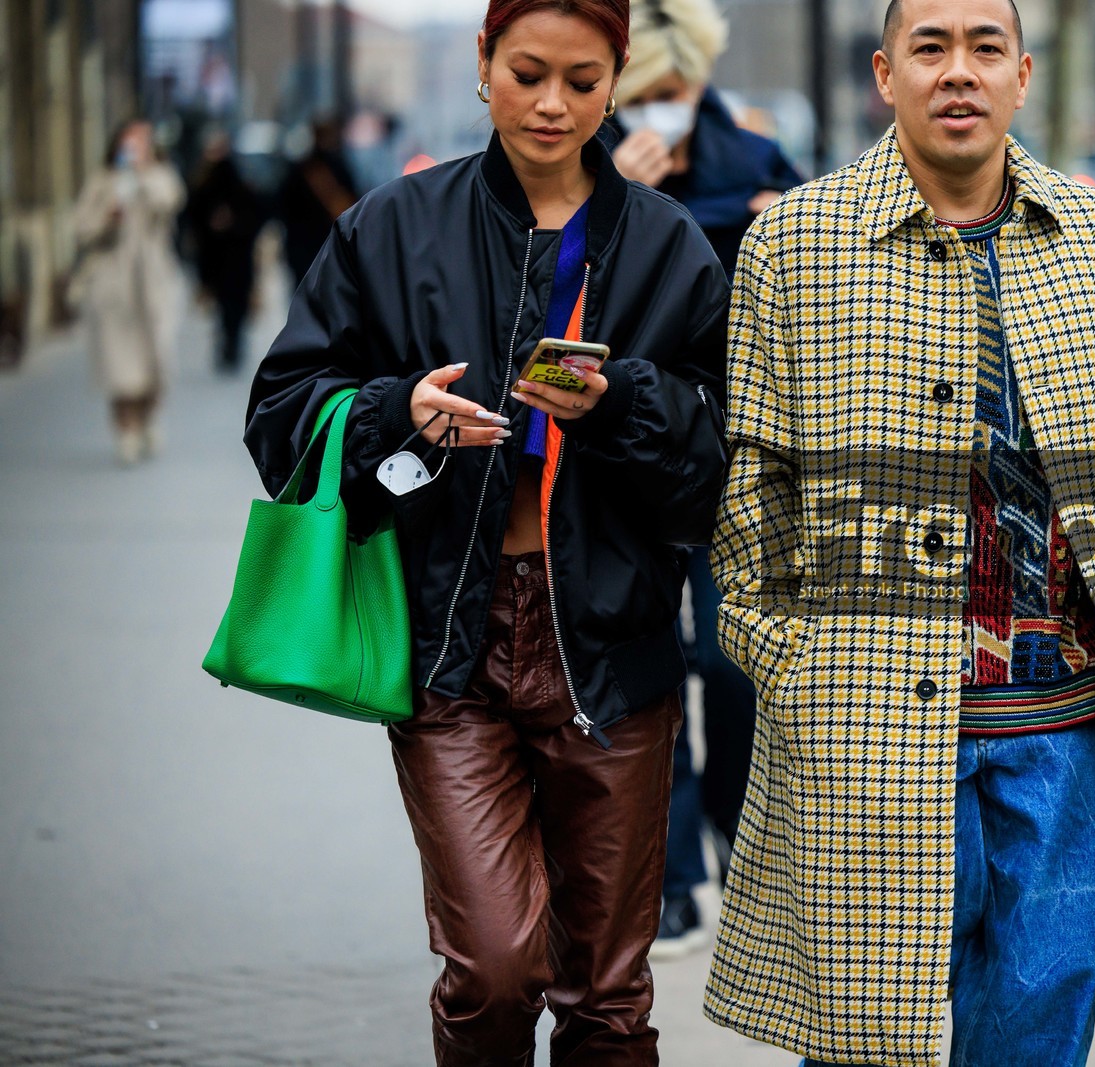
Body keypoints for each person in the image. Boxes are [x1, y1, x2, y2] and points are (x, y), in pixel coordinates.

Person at [703, 1, 1095, 1063]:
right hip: (865, 725)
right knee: (864, 1044)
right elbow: (752, 475)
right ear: (884, 73)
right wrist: (785, 654)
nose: (959, 73)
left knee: (1039, 1039)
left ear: (1022, 75)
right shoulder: (796, 243)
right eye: (930, 48)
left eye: (984, 48)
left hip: (1068, 730)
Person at [242, 0, 730, 1062]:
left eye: (584, 80)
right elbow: (279, 412)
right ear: (482, 64)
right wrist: (392, 411)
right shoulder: (394, 225)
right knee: (496, 970)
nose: (553, 104)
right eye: (527, 72)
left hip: (610, 647)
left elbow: (719, 467)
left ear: (617, 79)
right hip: (449, 643)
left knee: (607, 996)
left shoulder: (668, 247)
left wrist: (621, 403)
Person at [607, 0, 804, 956]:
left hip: (741, 462)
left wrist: (788, 231)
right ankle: (674, 877)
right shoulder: (588, 169)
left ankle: (739, 841)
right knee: (646, 669)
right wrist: (611, 203)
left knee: (732, 665)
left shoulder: (756, 161)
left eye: (671, 95)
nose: (659, 114)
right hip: (626, 458)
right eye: (640, 98)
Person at [72, 120, 187, 465]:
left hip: (154, 283)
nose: (136, 147)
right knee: (119, 362)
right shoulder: (102, 179)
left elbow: (170, 203)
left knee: (157, 360)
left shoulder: (161, 175)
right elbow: (81, 227)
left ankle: (148, 418)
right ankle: (126, 429)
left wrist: (141, 178)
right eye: (130, 140)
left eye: (143, 141)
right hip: (113, 284)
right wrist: (108, 216)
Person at [186, 129, 264, 374]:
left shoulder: (221, 182)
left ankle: (231, 345)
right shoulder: (210, 182)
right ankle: (230, 345)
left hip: (228, 257)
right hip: (225, 257)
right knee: (229, 305)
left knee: (231, 305)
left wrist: (230, 224)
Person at [276, 118, 358, 288]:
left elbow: (284, 206)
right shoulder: (339, 167)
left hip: (302, 246)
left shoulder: (300, 169)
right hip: (331, 244)